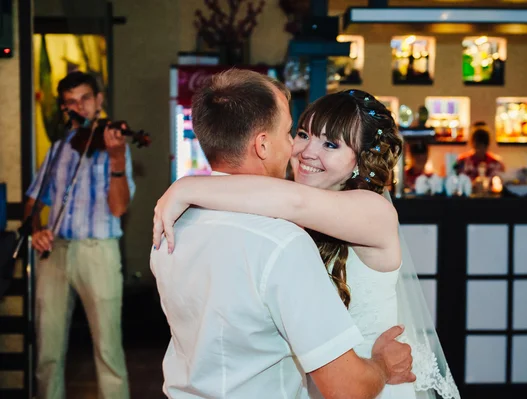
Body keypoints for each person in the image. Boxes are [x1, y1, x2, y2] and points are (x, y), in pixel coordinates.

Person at [152, 86, 460, 399]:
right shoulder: (281, 203)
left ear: (359, 161)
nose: (306, 151)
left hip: (373, 381)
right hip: (320, 382)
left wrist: (185, 188)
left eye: (330, 144)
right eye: (302, 134)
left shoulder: (374, 211)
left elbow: (296, 203)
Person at [24, 71, 134, 399]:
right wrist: (37, 230)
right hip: (54, 251)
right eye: (71, 102)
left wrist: (115, 158)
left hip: (97, 250)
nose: (79, 107)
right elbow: (32, 202)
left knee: (108, 351)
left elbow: (119, 208)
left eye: (85, 98)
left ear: (99, 101)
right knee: (47, 352)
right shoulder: (58, 149)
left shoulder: (115, 148)